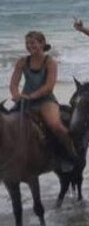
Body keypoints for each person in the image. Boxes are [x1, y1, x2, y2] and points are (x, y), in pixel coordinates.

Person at [8, 31, 78, 167]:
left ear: (42, 44)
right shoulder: (22, 62)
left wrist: (31, 96)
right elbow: (13, 83)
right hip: (24, 100)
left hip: (46, 101)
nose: (29, 46)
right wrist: (15, 94)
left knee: (55, 125)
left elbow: (49, 87)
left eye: (33, 43)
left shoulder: (50, 62)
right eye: (27, 43)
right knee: (7, 123)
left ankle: (71, 155)